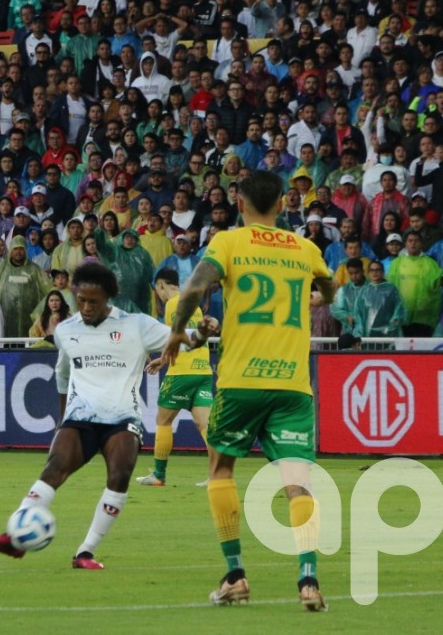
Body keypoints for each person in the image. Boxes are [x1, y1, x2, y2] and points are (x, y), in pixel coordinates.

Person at [159, 171, 337, 610]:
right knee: (298, 484)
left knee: (221, 470)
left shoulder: (228, 242)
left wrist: (177, 332)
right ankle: (309, 581)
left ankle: (236, 576)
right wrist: (319, 296)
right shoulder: (305, 248)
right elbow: (330, 288)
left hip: (241, 382)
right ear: (281, 204)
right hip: (293, 385)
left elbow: (194, 288)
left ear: (239, 203)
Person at [0, 262, 218, 569]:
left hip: (122, 418)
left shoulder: (136, 325)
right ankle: (15, 538)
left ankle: (85, 552)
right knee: (54, 468)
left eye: (93, 301)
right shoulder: (66, 330)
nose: (86, 307)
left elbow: (182, 338)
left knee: (119, 476)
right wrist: (62, 419)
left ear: (108, 297)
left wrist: (201, 332)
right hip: (80, 416)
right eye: (81, 300)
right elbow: (62, 375)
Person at [137, 268, 211, 487]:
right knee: (204, 424)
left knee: (163, 421)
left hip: (182, 372)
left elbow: (175, 337)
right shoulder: (195, 305)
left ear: (160, 285)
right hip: (203, 370)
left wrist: (163, 359)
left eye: (157, 289)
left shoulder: (172, 304)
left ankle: (159, 475)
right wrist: (163, 360)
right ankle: (218, 474)